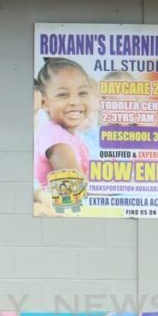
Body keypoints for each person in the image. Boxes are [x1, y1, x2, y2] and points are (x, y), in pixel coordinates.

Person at [33, 57, 93, 211]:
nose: (75, 101)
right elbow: (75, 191)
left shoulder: (69, 135)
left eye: (82, 93)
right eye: (63, 95)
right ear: (45, 103)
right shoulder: (56, 138)